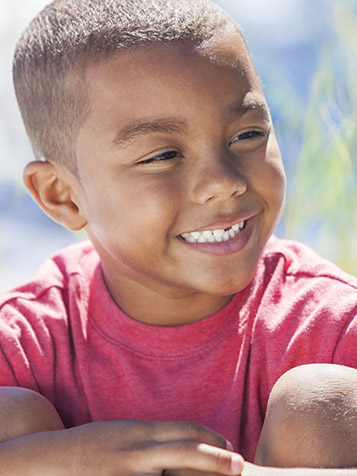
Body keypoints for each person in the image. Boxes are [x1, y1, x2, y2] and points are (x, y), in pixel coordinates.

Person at [0, 0, 356, 473]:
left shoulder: (329, 325)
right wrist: (66, 460)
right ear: (62, 195)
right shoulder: (27, 342)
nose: (223, 182)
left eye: (247, 135)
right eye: (164, 155)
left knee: (322, 404)